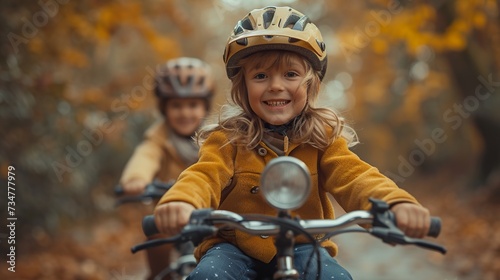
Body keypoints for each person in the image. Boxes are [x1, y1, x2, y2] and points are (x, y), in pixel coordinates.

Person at [153, 6, 431, 280]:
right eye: (260, 76)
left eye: (291, 74)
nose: (275, 85)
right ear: (243, 86)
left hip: (303, 245)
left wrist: (395, 204)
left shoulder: (322, 139)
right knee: (206, 277)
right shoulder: (227, 139)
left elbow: (356, 177)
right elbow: (203, 175)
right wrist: (182, 201)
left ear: (310, 85)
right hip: (233, 248)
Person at [119, 57, 215, 279]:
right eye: (176, 106)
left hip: (213, 215)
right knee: (156, 240)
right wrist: (135, 179)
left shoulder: (215, 136)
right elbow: (145, 156)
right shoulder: (158, 138)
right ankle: (160, 275)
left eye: (193, 105)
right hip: (169, 216)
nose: (185, 113)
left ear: (205, 106)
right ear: (164, 108)